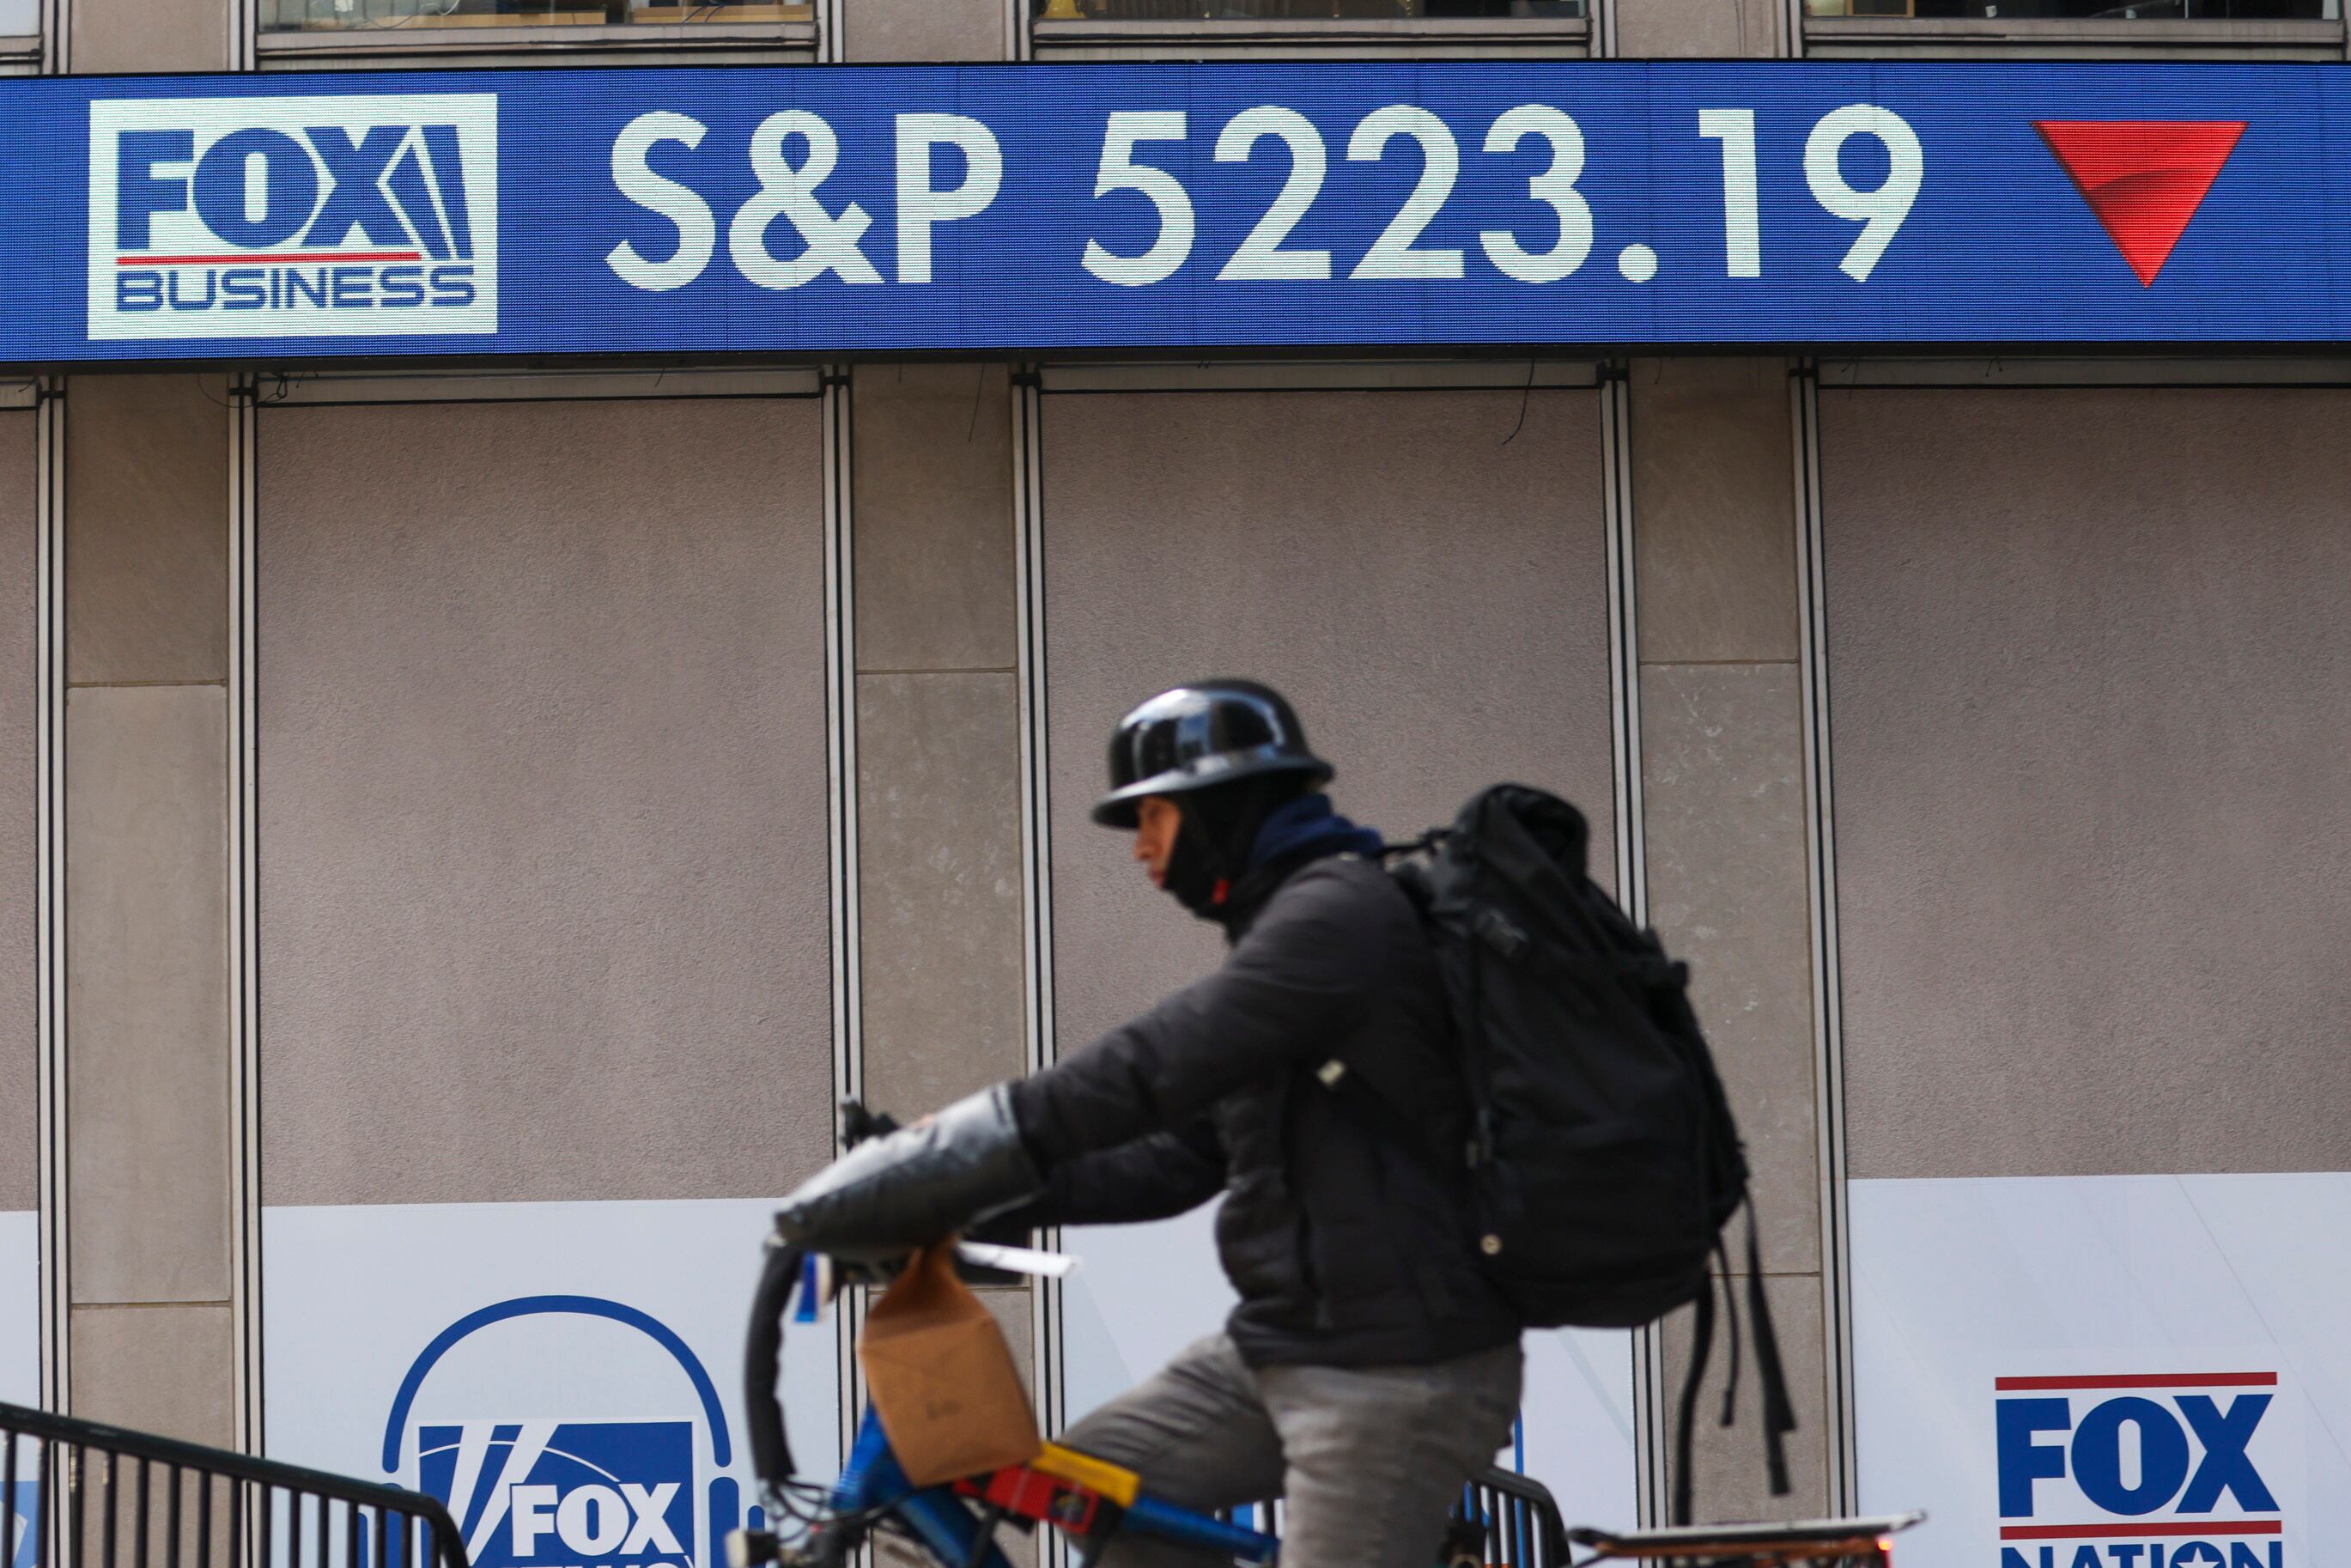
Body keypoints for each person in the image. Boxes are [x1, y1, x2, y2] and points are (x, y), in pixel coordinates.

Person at [775, 679, 1521, 1568]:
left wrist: (949, 1153)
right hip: (1282, 1349)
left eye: (1154, 816)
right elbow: (1172, 1161)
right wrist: (968, 1204)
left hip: (1395, 1371)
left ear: (1224, 807)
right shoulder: (1288, 936)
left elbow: (1147, 1068)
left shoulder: (1336, 920)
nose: (1139, 847)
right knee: (1096, 1488)